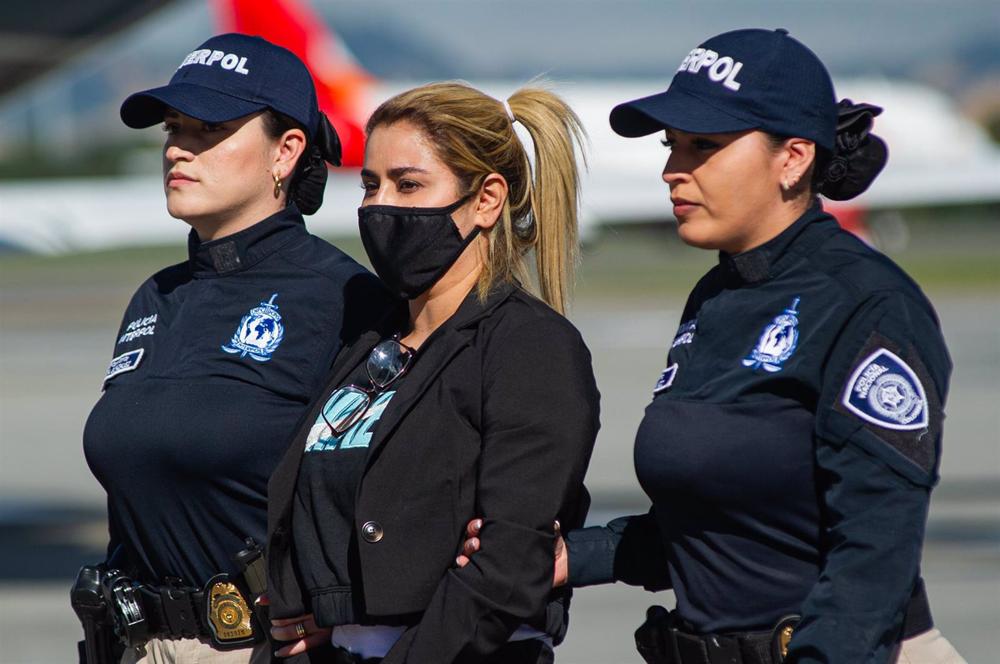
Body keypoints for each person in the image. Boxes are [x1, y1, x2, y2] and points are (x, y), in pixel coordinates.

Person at [460, 29, 965, 664]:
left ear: (794, 157)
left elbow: (875, 553)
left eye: (705, 146)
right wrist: (570, 557)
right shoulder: (717, 295)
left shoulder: (866, 302)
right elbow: (720, 526)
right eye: (673, 145)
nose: (673, 168)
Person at [80, 33, 392, 663]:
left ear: (286, 151)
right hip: (134, 646)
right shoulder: (155, 296)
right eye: (173, 127)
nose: (177, 148)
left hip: (260, 648)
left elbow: (387, 495)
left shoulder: (346, 299)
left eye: (208, 128)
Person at [264, 82, 600, 664]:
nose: (379, 205)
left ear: (487, 199)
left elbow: (509, 567)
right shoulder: (370, 342)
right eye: (371, 185)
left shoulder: (530, 347)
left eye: (408, 184)